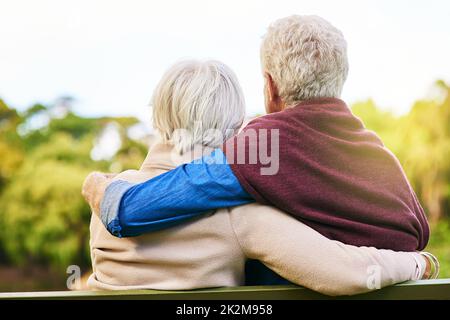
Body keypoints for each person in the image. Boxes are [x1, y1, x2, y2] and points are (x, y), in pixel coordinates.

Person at [83, 15, 429, 254]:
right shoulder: (375, 150)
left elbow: (130, 213)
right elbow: (419, 231)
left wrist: (98, 184)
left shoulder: (264, 146)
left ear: (270, 85)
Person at [87, 59, 434, 294]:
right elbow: (348, 273)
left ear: (158, 115)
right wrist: (418, 262)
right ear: (235, 123)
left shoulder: (106, 197)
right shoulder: (240, 216)